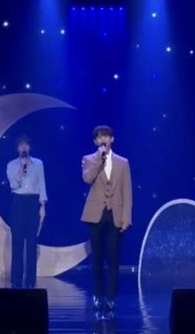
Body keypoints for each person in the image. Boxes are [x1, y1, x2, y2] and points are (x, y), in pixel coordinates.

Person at [81, 125, 133, 313]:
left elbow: (127, 192)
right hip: (95, 215)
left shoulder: (123, 162)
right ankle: (97, 296)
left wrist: (126, 218)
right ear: (96, 141)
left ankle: (111, 298)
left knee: (113, 258)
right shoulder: (89, 159)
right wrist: (99, 159)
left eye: (106, 136)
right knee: (97, 259)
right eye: (99, 137)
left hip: (114, 215)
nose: (103, 139)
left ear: (112, 139)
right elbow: (87, 179)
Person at [6, 135, 47, 288]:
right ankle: (16, 280)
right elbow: (13, 185)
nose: (24, 147)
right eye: (21, 145)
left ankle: (30, 280)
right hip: (18, 203)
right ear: (17, 148)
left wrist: (43, 206)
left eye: (26, 145)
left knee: (31, 242)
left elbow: (42, 185)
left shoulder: (38, 164)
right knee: (17, 242)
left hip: (33, 203)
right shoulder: (11, 165)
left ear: (30, 147)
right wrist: (21, 170)